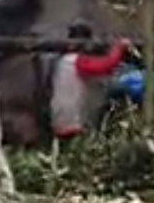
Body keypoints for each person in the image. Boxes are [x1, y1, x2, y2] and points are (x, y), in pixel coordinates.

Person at [49, 21, 133, 150]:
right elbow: (106, 65)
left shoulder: (63, 60)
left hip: (60, 118)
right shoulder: (77, 62)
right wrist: (119, 48)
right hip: (72, 121)